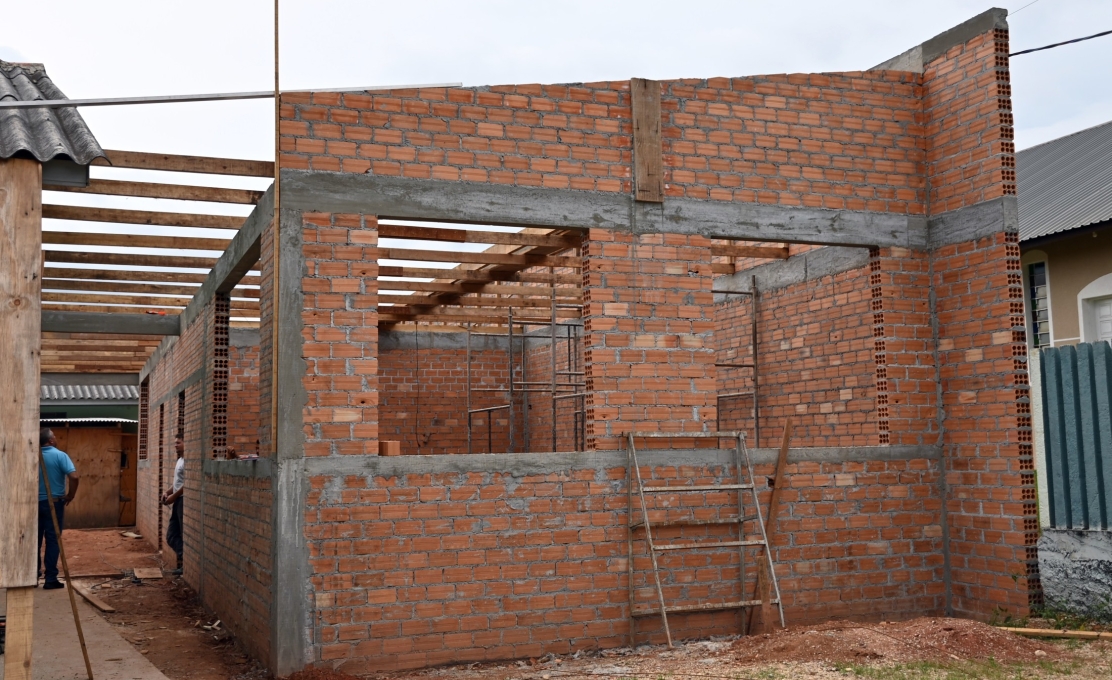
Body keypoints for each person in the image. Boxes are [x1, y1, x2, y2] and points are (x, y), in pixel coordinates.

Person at [39, 428, 79, 590]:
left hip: (32, 504)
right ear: (50, 440)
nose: (56, 438)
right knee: (52, 540)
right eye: (54, 436)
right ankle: (50, 579)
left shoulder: (32, 455)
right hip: (54, 503)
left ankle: (32, 576)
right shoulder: (60, 455)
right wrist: (71, 495)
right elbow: (74, 476)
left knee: (33, 541)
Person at [161, 435, 185, 574]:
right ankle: (185, 562)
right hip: (177, 500)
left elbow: (187, 485)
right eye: (175, 443)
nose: (176, 445)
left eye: (178, 442)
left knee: (180, 533)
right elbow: (177, 483)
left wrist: (173, 497)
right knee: (171, 536)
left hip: (182, 501)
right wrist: (167, 492)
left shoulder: (187, 461)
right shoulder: (180, 460)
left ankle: (185, 565)